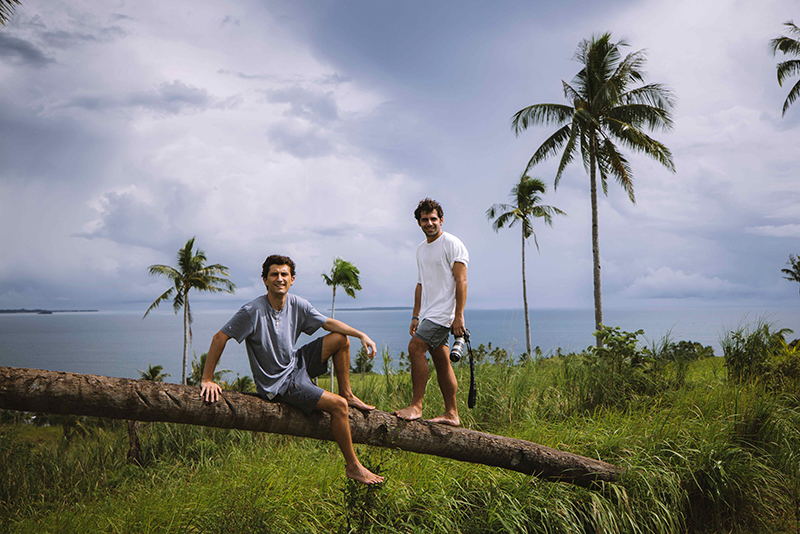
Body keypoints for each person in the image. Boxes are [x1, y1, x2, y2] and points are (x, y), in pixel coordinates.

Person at [200, 254, 384, 484]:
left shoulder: (297, 303)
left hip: (296, 364)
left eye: (284, 274)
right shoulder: (252, 310)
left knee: (341, 339)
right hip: (279, 384)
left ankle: (347, 392)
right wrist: (207, 378)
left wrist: (361, 335)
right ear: (265, 280)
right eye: (274, 274)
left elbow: (327, 323)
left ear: (292, 279)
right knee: (338, 406)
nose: (279, 278)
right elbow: (220, 337)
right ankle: (353, 466)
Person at [394, 198, 468, 426]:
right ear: (419, 223)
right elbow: (420, 285)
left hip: (444, 314)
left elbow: (461, 280)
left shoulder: (452, 244)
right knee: (442, 361)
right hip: (428, 313)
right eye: (425, 219)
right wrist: (416, 316)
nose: (429, 223)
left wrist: (458, 315)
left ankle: (416, 405)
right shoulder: (420, 250)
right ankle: (452, 414)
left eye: (433, 219)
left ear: (441, 220)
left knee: (415, 347)